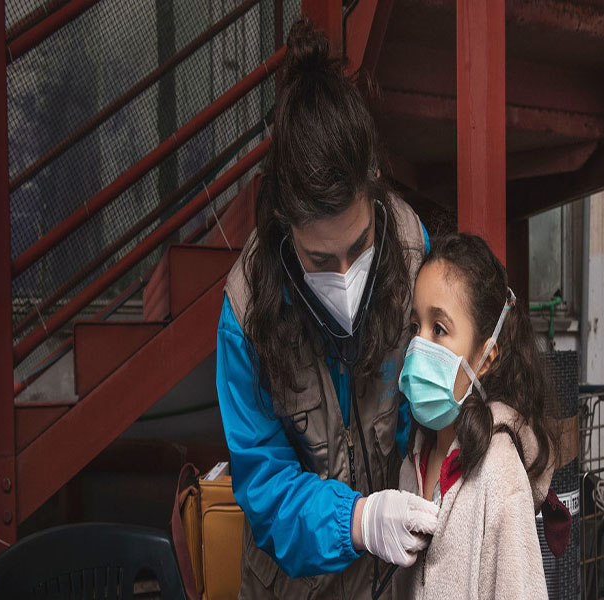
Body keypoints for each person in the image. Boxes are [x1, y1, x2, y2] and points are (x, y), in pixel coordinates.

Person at [215, 18, 438, 600]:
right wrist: (358, 521)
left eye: (359, 247)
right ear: (286, 228)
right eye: (319, 258)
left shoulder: (415, 252)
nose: (345, 275)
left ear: (375, 186)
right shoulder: (245, 314)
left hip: (394, 582)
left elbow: (440, 391)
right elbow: (263, 486)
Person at [393, 233, 561, 600]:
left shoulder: (499, 470)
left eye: (439, 329)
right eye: (414, 327)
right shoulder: (412, 463)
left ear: (486, 358)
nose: (419, 345)